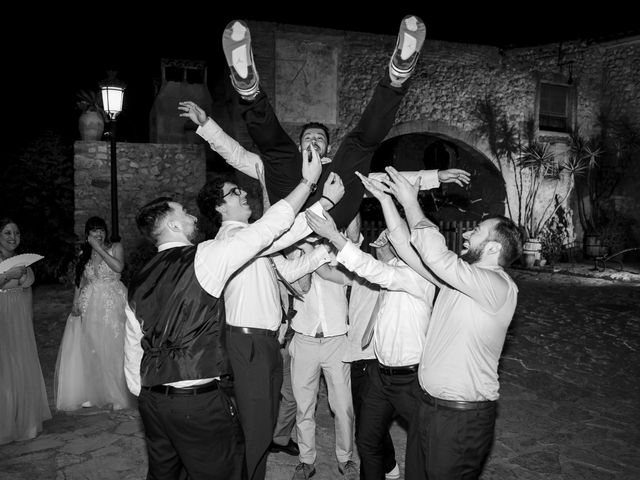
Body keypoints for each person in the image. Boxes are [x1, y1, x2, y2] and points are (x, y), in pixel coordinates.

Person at [123, 152, 322, 480]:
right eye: (183, 213)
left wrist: (143, 392)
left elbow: (133, 345)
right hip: (194, 402)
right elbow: (268, 230)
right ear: (172, 224)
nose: (191, 216)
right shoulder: (205, 256)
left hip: (153, 404)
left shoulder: (139, 277)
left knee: (164, 475)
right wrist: (308, 183)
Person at [362, 166, 524, 480]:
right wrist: (385, 200)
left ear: (492, 248)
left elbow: (435, 255)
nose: (466, 233)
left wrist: (411, 203)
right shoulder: (459, 281)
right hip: (427, 408)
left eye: (475, 231)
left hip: (461, 418)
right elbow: (413, 253)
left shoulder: (499, 287)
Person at [197, 161, 343, 480]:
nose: (243, 193)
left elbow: (288, 271)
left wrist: (324, 252)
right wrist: (320, 197)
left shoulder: (255, 242)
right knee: (254, 429)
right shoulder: (232, 243)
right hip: (246, 342)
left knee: (263, 426)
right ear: (220, 207)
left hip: (266, 343)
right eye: (234, 192)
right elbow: (282, 228)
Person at [221, 14, 429, 229]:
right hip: (292, 207)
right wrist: (205, 124)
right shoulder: (287, 159)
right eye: (308, 137)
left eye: (319, 138)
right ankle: (249, 91)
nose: (313, 140)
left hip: (334, 211)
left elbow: (390, 179)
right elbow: (235, 154)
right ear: (299, 145)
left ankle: (396, 78)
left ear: (328, 147)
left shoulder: (337, 164)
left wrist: (437, 176)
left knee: (357, 146)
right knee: (275, 152)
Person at [306, 209, 436, 480]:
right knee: (366, 441)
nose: (384, 242)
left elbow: (373, 269)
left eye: (390, 238)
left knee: (429, 443)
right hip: (379, 373)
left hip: (410, 378)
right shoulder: (392, 271)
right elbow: (370, 267)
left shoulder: (417, 274)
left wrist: (332, 235)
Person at [54, 216, 135, 412]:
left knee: (114, 347)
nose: (98, 233)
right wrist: (75, 302)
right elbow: (80, 281)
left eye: (101, 229)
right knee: (93, 348)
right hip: (90, 303)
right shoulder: (85, 253)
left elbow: (118, 267)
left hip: (113, 301)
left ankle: (118, 394)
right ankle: (96, 392)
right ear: (87, 234)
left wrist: (99, 249)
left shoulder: (115, 247)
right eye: (93, 230)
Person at [0, 217, 51, 445]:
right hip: (1, 315)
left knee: (20, 364)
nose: (13, 238)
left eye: (16, 233)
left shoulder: (23, 262)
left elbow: (28, 292)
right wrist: (5, 277)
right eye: (7, 233)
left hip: (18, 318)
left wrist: (28, 319)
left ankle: (24, 419)